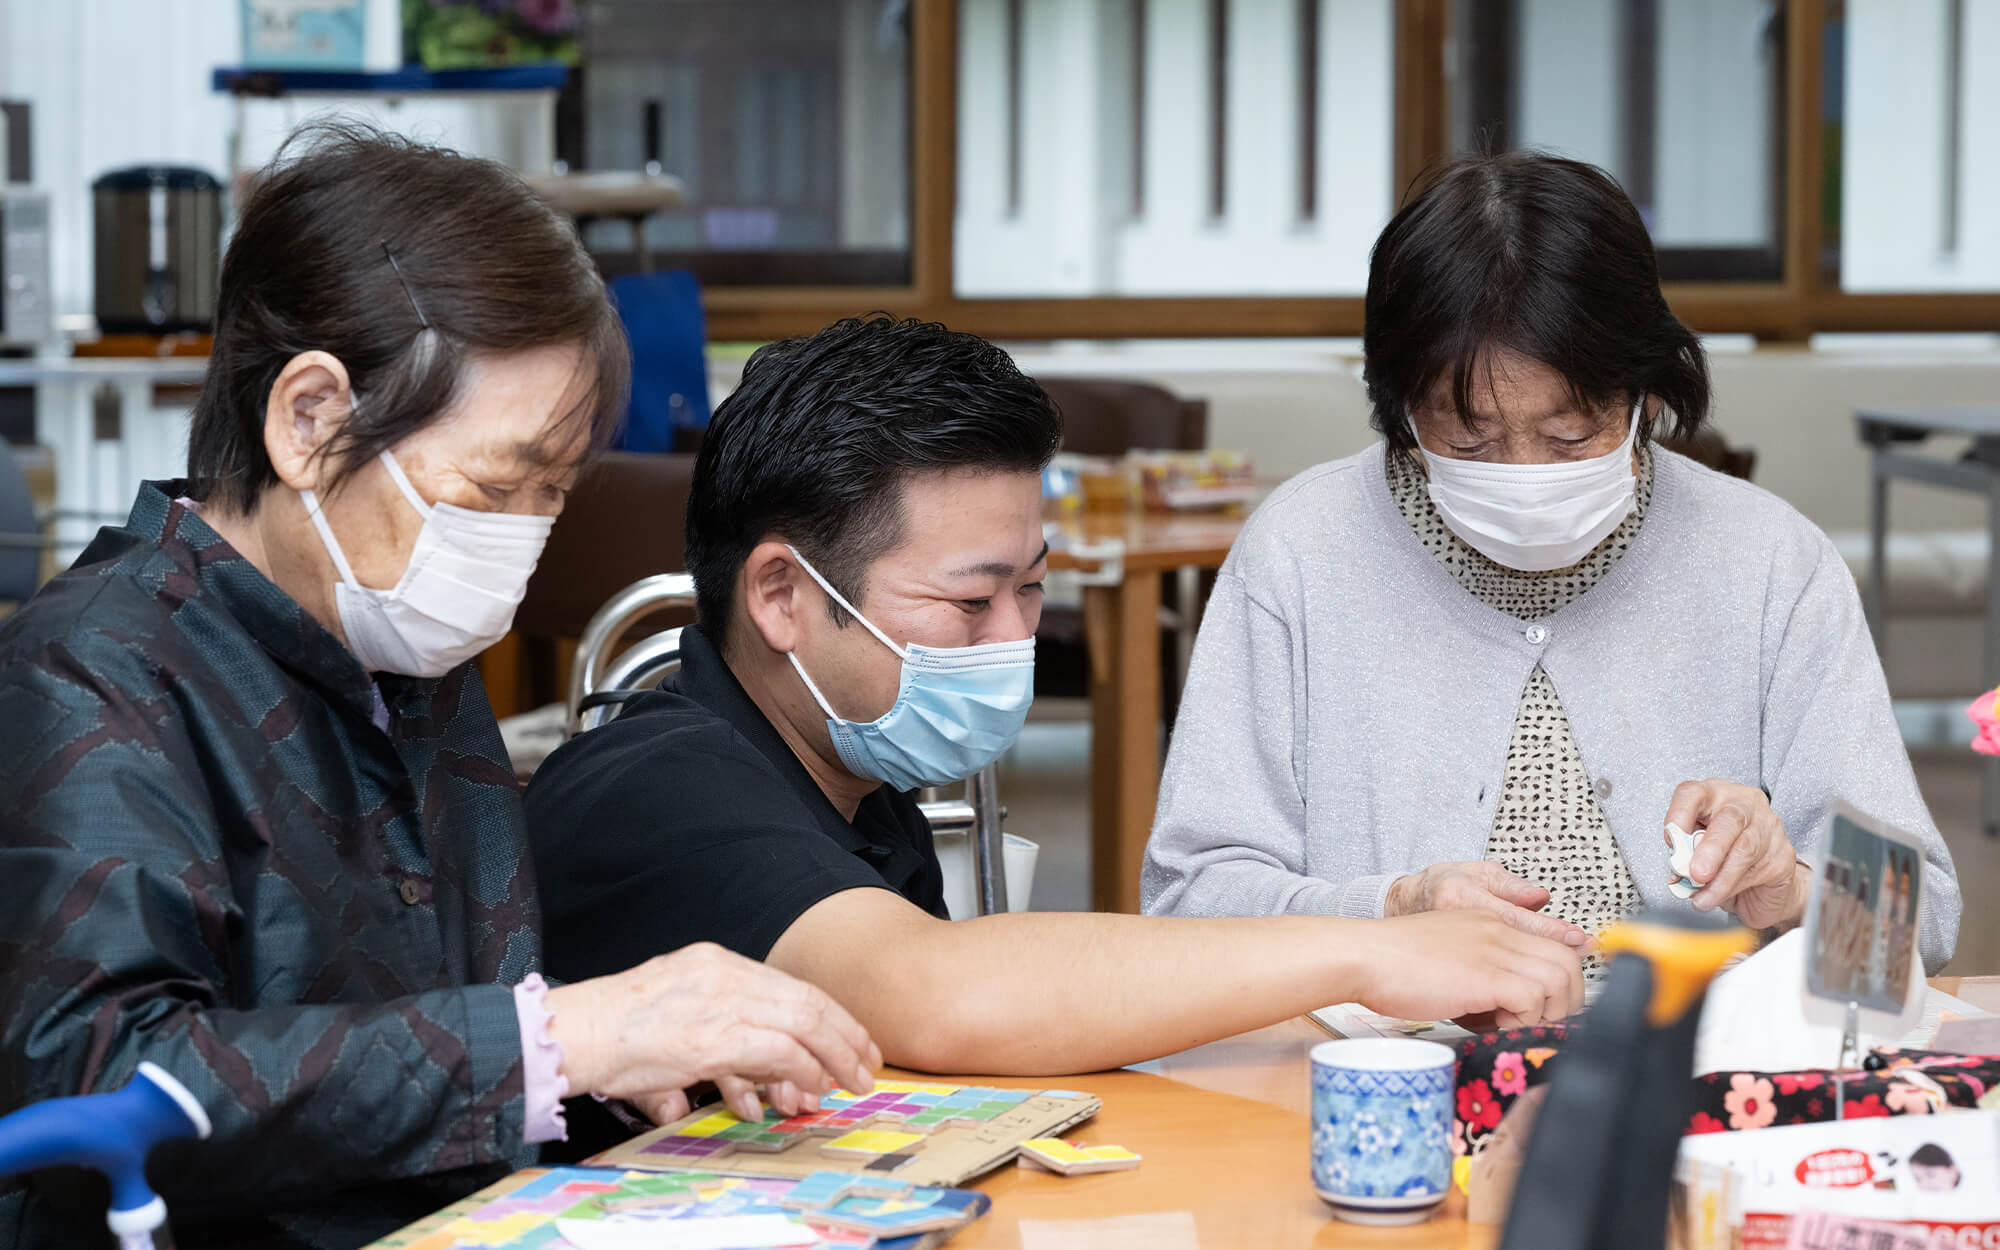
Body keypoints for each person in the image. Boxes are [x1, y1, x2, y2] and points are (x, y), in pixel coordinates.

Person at [0, 127, 876, 1250]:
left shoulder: (408, 650)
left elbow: (434, 1050)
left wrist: (616, 1079)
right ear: (309, 418)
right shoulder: (89, 671)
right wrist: (559, 1042)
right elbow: (95, 1088)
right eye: (491, 486)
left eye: (549, 495)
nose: (516, 542)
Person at [526, 314, 1587, 1153]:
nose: (1013, 639)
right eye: (970, 603)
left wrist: (1389, 916)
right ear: (779, 595)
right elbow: (941, 991)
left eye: (1031, 591)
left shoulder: (852, 774)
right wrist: (1375, 949)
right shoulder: (651, 783)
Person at [1141, 151, 1961, 976]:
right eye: (1470, 440)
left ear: (1647, 396)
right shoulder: (1300, 553)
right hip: (1387, 1078)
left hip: (1689, 1078)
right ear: (1401, 415)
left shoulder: (1769, 562)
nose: (1526, 476)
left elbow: (1919, 924)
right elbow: (1187, 903)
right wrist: (1391, 911)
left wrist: (1792, 889)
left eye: (1572, 435)